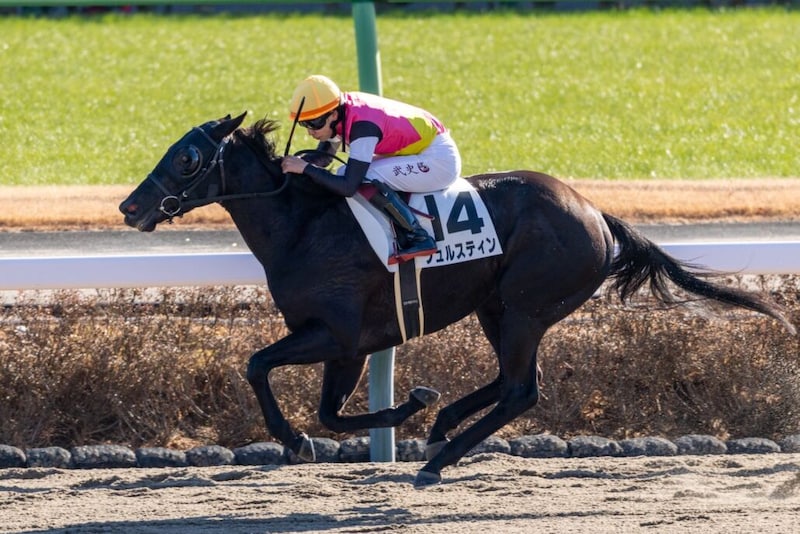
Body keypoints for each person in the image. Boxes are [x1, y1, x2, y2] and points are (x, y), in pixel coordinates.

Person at [281, 74, 462, 264]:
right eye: (304, 124)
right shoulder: (340, 113)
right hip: (418, 151)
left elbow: (349, 187)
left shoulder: (363, 126)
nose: (310, 131)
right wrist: (290, 164)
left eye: (314, 123)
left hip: (439, 160)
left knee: (365, 175)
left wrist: (306, 168)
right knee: (343, 172)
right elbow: (324, 158)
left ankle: (417, 236)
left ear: (334, 115)